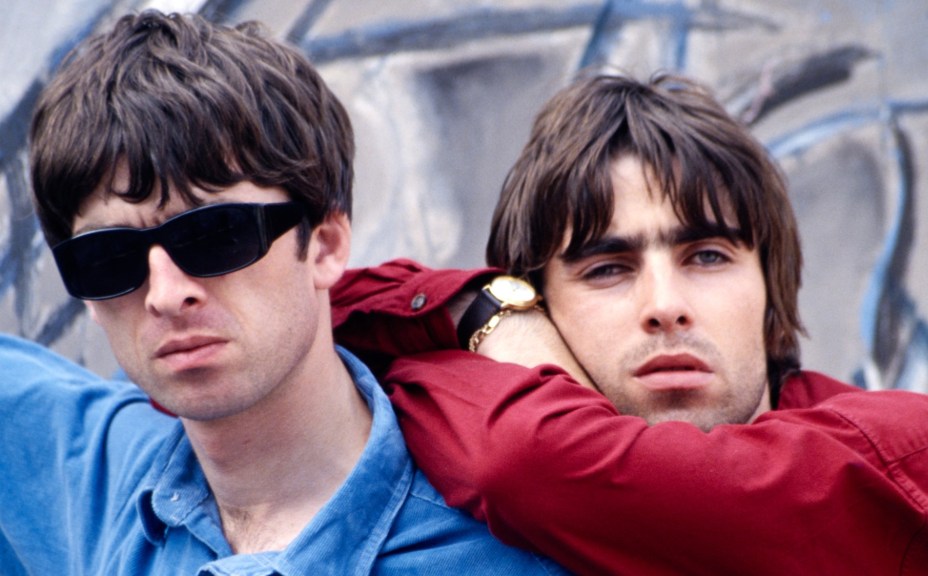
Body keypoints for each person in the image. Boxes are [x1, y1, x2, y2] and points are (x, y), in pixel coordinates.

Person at [329, 73, 928, 575]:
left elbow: (524, 462)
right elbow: (315, 305)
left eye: (709, 256)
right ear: (546, 311)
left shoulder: (910, 464)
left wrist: (482, 318)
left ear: (770, 298)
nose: (665, 303)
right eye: (608, 268)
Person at [1, 11, 569, 575]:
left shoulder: (502, 551)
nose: (166, 294)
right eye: (109, 259)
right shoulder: (91, 478)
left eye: (214, 237)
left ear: (324, 246)